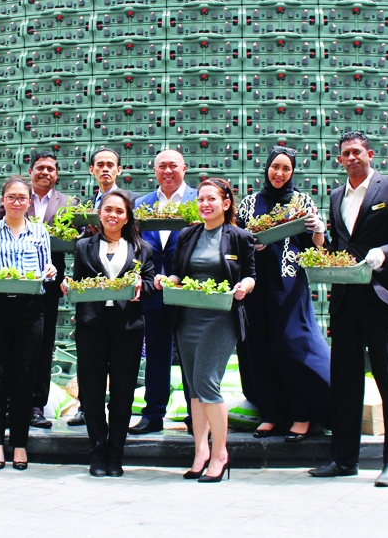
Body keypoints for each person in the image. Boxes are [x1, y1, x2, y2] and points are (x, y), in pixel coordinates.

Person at [309, 131, 388, 488]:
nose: (351, 157)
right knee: (344, 382)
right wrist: (318, 237)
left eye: (357, 152)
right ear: (339, 160)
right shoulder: (336, 195)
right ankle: (344, 459)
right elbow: (337, 246)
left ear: (369, 154)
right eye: (345, 154)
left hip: (379, 297)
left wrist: (385, 252)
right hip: (345, 299)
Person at [154, 179, 255, 483]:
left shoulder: (239, 236)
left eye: (212, 199)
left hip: (220, 317)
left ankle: (221, 452)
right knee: (194, 389)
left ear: (225, 204)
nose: (205, 205)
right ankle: (200, 451)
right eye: (200, 200)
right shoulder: (187, 234)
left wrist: (242, 288)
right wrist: (167, 280)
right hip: (188, 317)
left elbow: (251, 276)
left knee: (206, 383)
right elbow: (177, 271)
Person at [236, 147, 332, 441]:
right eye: (274, 167)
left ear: (292, 172)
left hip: (288, 285)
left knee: (289, 347)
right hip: (255, 285)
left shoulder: (302, 201)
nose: (279, 174)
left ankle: (301, 415)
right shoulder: (250, 202)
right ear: (266, 168)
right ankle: (271, 414)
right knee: (259, 347)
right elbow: (236, 239)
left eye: (286, 169)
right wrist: (251, 245)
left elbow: (318, 246)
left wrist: (318, 228)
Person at [0, 176, 57, 470]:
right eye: (12, 197)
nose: (17, 203)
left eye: (22, 198)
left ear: (30, 203)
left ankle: (19, 444)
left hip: (30, 309)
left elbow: (45, 268)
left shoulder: (39, 231)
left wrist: (51, 271)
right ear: (2, 201)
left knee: (24, 377)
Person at [64, 190, 156, 477]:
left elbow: (153, 284)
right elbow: (77, 282)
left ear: (127, 216)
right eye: (108, 210)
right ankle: (98, 452)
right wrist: (68, 286)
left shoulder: (142, 248)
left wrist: (142, 284)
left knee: (122, 393)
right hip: (91, 325)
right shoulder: (83, 246)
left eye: (119, 210)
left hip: (126, 326)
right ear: (99, 213)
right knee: (91, 394)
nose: (113, 215)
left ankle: (116, 455)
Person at [0, 149, 79, 429]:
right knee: (9, 344)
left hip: (49, 283)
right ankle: (6, 406)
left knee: (43, 347)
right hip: (13, 283)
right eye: (40, 168)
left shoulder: (69, 203)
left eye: (51, 169)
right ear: (31, 171)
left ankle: (35, 406)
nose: (45, 173)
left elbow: (76, 240)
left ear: (56, 175)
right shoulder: (18, 198)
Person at [130, 150, 197, 435]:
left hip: (191, 292)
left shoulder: (199, 200)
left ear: (184, 168)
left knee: (192, 356)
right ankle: (153, 414)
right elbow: (134, 247)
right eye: (161, 167)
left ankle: (197, 416)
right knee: (157, 354)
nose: (167, 171)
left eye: (173, 166)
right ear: (154, 170)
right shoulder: (142, 204)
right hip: (153, 292)